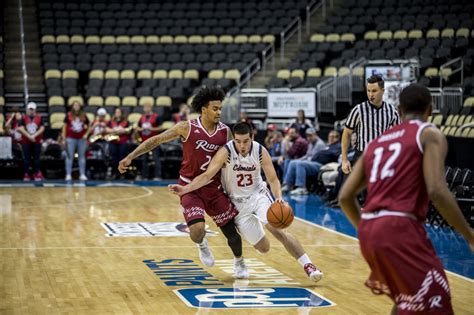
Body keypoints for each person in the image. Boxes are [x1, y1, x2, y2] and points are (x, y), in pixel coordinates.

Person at [339, 84, 474, 314]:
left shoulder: (377, 142)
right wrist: (469, 235)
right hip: (399, 227)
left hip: (370, 231)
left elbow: (344, 196)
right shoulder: (428, 133)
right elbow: (437, 191)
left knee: (407, 299)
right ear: (430, 110)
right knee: (436, 296)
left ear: (399, 111)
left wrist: (367, 229)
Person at [169, 122, 324, 282]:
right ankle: (258, 230)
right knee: (264, 248)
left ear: (252, 137)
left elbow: (273, 179)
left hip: (258, 196)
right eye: (238, 141)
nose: (242, 145)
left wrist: (278, 198)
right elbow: (207, 176)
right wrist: (185, 189)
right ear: (233, 139)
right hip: (237, 203)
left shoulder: (260, 151)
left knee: (276, 227)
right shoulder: (225, 152)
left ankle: (309, 266)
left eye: (245, 141)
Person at [118, 87, 247, 278]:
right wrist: (131, 156)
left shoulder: (225, 132)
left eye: (220, 108)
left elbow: (233, 160)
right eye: (215, 108)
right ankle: (202, 245)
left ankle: (239, 262)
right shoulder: (186, 127)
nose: (219, 112)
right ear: (204, 109)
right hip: (189, 187)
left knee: (232, 233)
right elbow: (157, 139)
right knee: (197, 231)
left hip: (214, 187)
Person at [341, 74, 400, 175]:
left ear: (382, 91)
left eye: (374, 91)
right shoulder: (358, 109)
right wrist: (344, 160)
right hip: (362, 156)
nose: (370, 94)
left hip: (382, 156)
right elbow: (346, 133)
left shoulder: (392, 111)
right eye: (368, 91)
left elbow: (397, 137)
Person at [283, 130, 340, 195]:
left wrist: (303, 161)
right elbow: (308, 155)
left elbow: (330, 156)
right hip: (312, 162)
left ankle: (301, 187)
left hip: (322, 165)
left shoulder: (333, 146)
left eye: (333, 137)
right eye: (329, 137)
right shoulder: (326, 146)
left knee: (300, 164)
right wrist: (300, 159)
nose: (330, 138)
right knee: (293, 162)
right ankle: (288, 185)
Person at [17, 102, 45, 181]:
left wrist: (34, 136)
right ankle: (26, 174)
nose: (31, 111)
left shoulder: (40, 118)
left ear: (35, 110)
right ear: (27, 110)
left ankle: (37, 173)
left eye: (32, 109)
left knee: (37, 158)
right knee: (26, 158)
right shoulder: (23, 118)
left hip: (37, 141)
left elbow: (42, 128)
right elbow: (20, 128)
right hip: (26, 141)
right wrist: (29, 136)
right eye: (30, 109)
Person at [62, 100, 89, 181]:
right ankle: (68, 174)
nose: (76, 106)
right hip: (70, 138)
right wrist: (64, 138)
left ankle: (82, 174)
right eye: (75, 105)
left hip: (81, 139)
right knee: (69, 156)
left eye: (78, 105)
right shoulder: (68, 115)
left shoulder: (84, 115)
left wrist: (86, 134)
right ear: (72, 106)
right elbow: (64, 127)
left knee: (82, 157)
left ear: (80, 107)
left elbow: (89, 125)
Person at [136, 102, 162, 180]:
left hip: (154, 141)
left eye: (148, 107)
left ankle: (158, 176)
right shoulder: (142, 117)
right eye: (145, 107)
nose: (146, 109)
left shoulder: (156, 117)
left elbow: (161, 128)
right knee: (144, 159)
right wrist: (142, 129)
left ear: (151, 108)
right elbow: (138, 128)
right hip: (144, 141)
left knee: (155, 158)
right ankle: (144, 176)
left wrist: (152, 129)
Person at [106, 108, 131, 179]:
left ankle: (122, 173)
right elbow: (106, 129)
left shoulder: (126, 121)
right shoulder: (111, 121)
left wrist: (123, 130)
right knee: (114, 158)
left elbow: (129, 130)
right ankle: (114, 172)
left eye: (119, 112)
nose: (117, 113)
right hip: (113, 141)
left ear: (121, 113)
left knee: (122, 157)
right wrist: (113, 130)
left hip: (122, 141)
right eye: (116, 112)